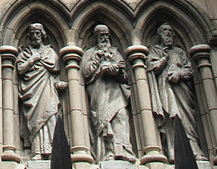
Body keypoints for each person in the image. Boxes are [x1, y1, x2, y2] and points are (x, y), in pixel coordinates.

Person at [146, 23, 204, 161]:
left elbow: (189, 69)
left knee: (186, 118)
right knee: (171, 116)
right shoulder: (155, 51)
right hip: (166, 89)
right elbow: (151, 66)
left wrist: (180, 73)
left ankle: (193, 149)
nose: (168, 33)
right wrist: (163, 60)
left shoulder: (179, 52)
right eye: (164, 31)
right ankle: (173, 152)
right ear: (159, 35)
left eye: (170, 31)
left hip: (182, 90)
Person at [81, 24, 136, 163]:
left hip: (116, 92)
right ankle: (108, 152)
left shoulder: (115, 52)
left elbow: (124, 76)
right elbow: (85, 73)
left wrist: (116, 71)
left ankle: (123, 150)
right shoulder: (90, 53)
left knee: (121, 116)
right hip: (99, 92)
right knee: (104, 122)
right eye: (101, 35)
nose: (105, 38)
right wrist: (98, 62)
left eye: (107, 35)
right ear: (96, 37)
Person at [16, 23, 66, 159]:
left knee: (50, 116)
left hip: (47, 89)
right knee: (35, 119)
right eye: (32, 34)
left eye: (38, 33)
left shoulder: (50, 52)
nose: (35, 36)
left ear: (42, 35)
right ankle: (37, 151)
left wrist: (57, 83)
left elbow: (55, 68)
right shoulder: (26, 53)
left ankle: (54, 151)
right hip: (31, 90)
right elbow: (20, 69)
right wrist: (31, 60)